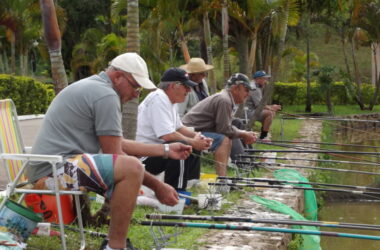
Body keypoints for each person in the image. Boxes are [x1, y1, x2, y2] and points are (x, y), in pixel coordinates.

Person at [27, 53, 192, 250]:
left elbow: (117, 143)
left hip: (54, 165)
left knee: (130, 166)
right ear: (118, 77)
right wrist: (158, 186)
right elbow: (116, 154)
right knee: (131, 167)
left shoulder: (97, 88)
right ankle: (115, 247)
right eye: (135, 86)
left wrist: (165, 150)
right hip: (51, 174)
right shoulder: (105, 95)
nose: (136, 93)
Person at [136, 67, 212, 191]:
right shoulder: (158, 98)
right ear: (173, 86)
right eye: (186, 87)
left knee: (190, 143)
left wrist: (199, 137)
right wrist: (192, 142)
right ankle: (177, 191)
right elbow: (167, 135)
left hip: (158, 150)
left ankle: (190, 183)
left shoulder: (170, 100)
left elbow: (179, 128)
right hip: (145, 157)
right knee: (181, 145)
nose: (189, 91)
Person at [182, 73, 257, 176]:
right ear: (235, 88)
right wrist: (244, 134)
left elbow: (226, 126)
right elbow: (224, 129)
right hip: (189, 131)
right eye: (246, 90)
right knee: (224, 140)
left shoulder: (226, 98)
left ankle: (245, 161)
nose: (248, 94)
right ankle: (223, 180)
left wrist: (243, 133)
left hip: (201, 129)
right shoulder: (224, 100)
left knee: (237, 124)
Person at [178, 57, 232, 178]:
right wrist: (191, 133)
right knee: (223, 139)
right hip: (192, 127)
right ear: (193, 75)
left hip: (205, 123)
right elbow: (179, 117)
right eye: (202, 73)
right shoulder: (186, 90)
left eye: (205, 73)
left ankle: (236, 161)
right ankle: (222, 178)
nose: (205, 75)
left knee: (231, 127)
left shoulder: (202, 84)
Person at [243, 70, 282, 140]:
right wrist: (272, 107)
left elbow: (260, 104)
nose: (266, 81)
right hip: (247, 112)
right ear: (258, 79)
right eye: (264, 79)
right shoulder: (254, 88)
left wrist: (271, 107)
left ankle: (264, 133)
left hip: (252, 110)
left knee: (271, 112)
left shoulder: (256, 86)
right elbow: (259, 105)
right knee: (269, 113)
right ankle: (264, 136)